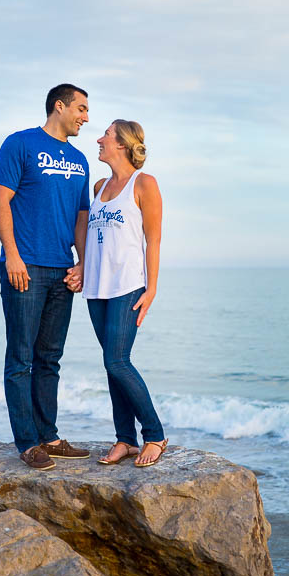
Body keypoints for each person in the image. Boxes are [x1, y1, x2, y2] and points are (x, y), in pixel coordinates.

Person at [0, 84, 91, 470]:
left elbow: (81, 217)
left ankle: (49, 436)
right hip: (25, 266)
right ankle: (27, 442)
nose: (85, 116)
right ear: (59, 106)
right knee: (21, 358)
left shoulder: (80, 160)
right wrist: (12, 255)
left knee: (49, 358)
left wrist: (82, 263)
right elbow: (1, 200)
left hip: (62, 270)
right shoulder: (20, 144)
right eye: (81, 108)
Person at [81, 119, 167, 467]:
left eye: (106, 135)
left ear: (122, 144)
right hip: (96, 288)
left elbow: (154, 239)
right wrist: (80, 268)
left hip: (128, 286)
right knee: (111, 366)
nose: (99, 139)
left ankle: (156, 434)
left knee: (117, 361)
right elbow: (91, 238)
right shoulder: (100, 185)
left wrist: (152, 289)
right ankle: (124, 440)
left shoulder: (144, 183)